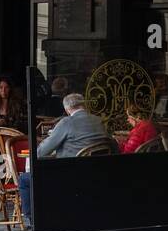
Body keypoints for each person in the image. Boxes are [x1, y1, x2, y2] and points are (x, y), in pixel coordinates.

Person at [18, 93, 112, 223]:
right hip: (97, 174)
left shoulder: (67, 122)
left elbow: (41, 152)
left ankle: (32, 221)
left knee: (24, 179)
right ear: (83, 105)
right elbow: (112, 145)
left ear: (67, 109)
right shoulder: (98, 121)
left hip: (70, 175)